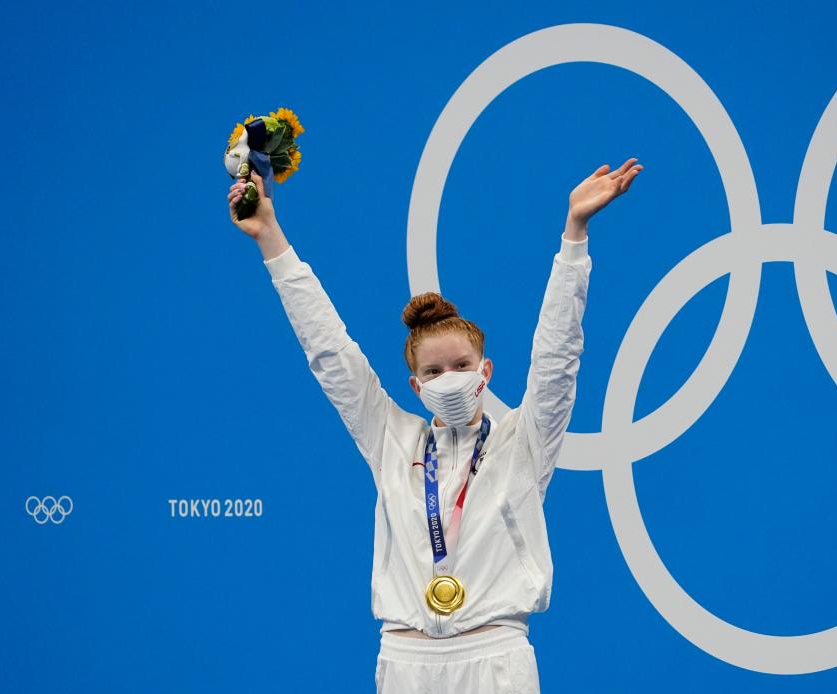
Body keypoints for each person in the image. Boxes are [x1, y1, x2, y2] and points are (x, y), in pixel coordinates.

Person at [226, 157, 642, 693]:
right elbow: (329, 351)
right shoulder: (389, 438)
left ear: (486, 372)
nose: (449, 379)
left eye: (462, 367)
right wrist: (270, 237)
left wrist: (574, 236)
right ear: (416, 387)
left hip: (495, 661)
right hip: (405, 662)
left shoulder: (524, 441)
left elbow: (558, 356)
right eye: (433, 371)